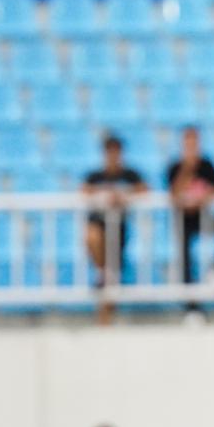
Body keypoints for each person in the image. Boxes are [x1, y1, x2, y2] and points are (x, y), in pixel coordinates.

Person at [166, 127, 214, 316]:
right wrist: (187, 170)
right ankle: (192, 308)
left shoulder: (207, 165)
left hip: (203, 217)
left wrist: (206, 196)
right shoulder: (175, 166)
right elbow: (173, 193)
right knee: (185, 260)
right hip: (183, 220)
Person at [82, 135, 147, 325]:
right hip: (99, 225)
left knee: (113, 273)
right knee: (93, 239)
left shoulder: (129, 175)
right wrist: (104, 195)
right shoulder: (96, 176)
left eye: (116, 152)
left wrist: (123, 196)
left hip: (119, 230)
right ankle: (103, 273)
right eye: (109, 152)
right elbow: (83, 190)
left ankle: (105, 320)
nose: (113, 156)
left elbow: (144, 189)